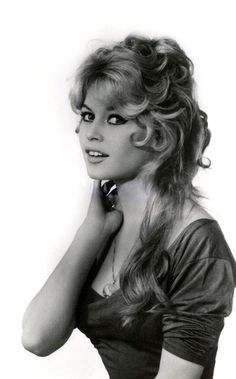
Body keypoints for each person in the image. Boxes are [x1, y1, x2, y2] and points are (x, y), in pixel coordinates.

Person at [21, 34, 236, 379]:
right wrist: (90, 232)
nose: (91, 132)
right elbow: (37, 337)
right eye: (88, 115)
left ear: (160, 131)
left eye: (115, 119)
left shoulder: (198, 244)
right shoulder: (107, 223)